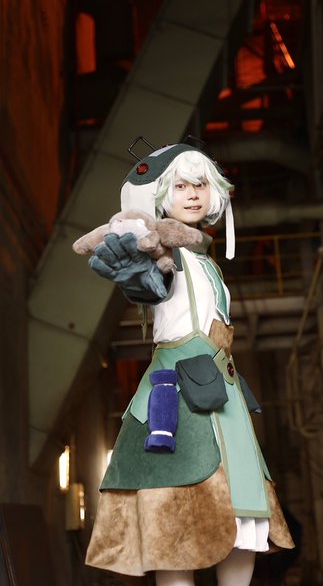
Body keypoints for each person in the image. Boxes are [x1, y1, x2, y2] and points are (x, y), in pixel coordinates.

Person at [83, 142, 294, 586]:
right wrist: (135, 274)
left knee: (243, 522)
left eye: (200, 184)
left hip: (223, 395)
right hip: (178, 397)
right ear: (161, 194)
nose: (193, 194)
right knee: (175, 522)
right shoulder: (162, 251)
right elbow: (150, 284)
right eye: (180, 186)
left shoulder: (204, 259)